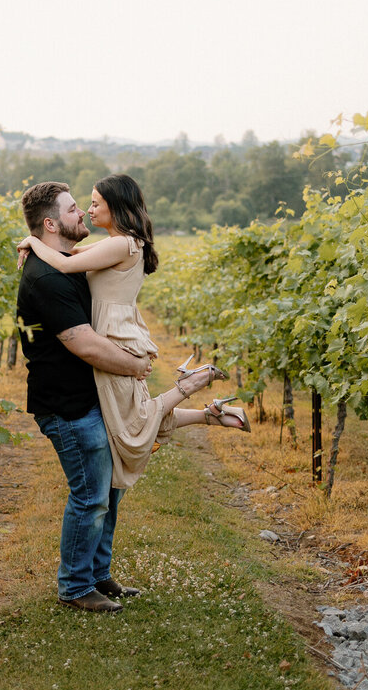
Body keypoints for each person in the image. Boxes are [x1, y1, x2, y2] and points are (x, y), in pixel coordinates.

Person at [16, 181, 219, 614]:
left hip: (89, 395)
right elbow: (85, 344)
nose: (83, 214)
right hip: (66, 404)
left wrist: (33, 242)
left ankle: (97, 574)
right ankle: (74, 587)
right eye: (75, 209)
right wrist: (134, 365)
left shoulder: (67, 260)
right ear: (51, 223)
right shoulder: (45, 277)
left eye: (87, 205)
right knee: (91, 494)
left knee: (109, 490)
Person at [18, 174, 249, 492]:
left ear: (115, 206)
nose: (87, 210)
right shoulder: (118, 243)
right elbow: (72, 255)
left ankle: (192, 385)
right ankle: (209, 413)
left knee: (134, 419)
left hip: (116, 335)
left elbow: (65, 263)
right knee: (129, 417)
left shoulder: (122, 243)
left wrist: (32, 242)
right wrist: (39, 244)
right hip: (117, 331)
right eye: (81, 206)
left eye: (95, 203)